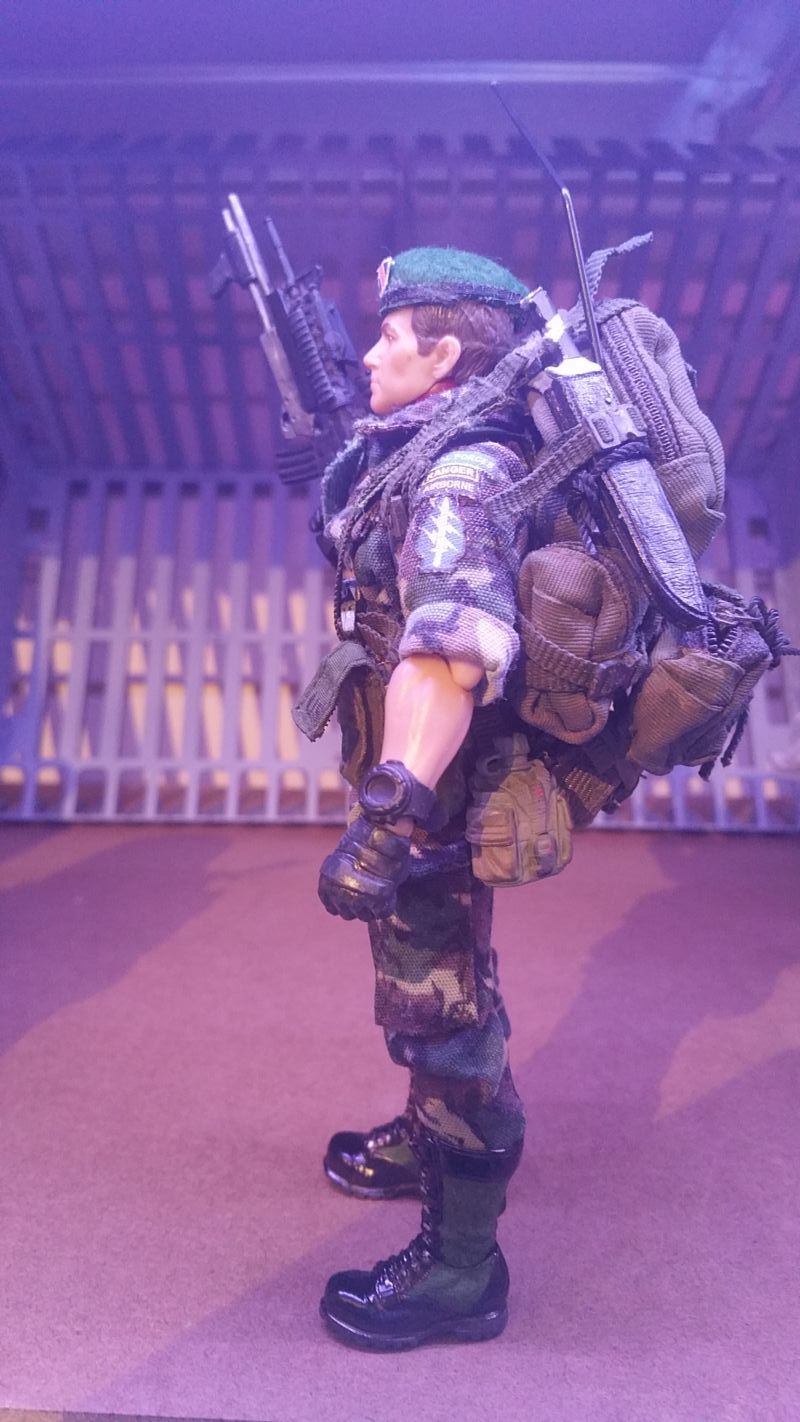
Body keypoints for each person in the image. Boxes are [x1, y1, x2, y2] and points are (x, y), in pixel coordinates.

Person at [302, 246, 539, 1350]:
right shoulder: (426, 451)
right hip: (423, 798)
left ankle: (461, 1272)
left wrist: (386, 825)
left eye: (389, 335)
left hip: (431, 805)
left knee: (445, 1023)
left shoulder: (458, 478)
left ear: (443, 356)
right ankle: (423, 1135)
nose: (369, 353)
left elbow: (449, 653)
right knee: (431, 989)